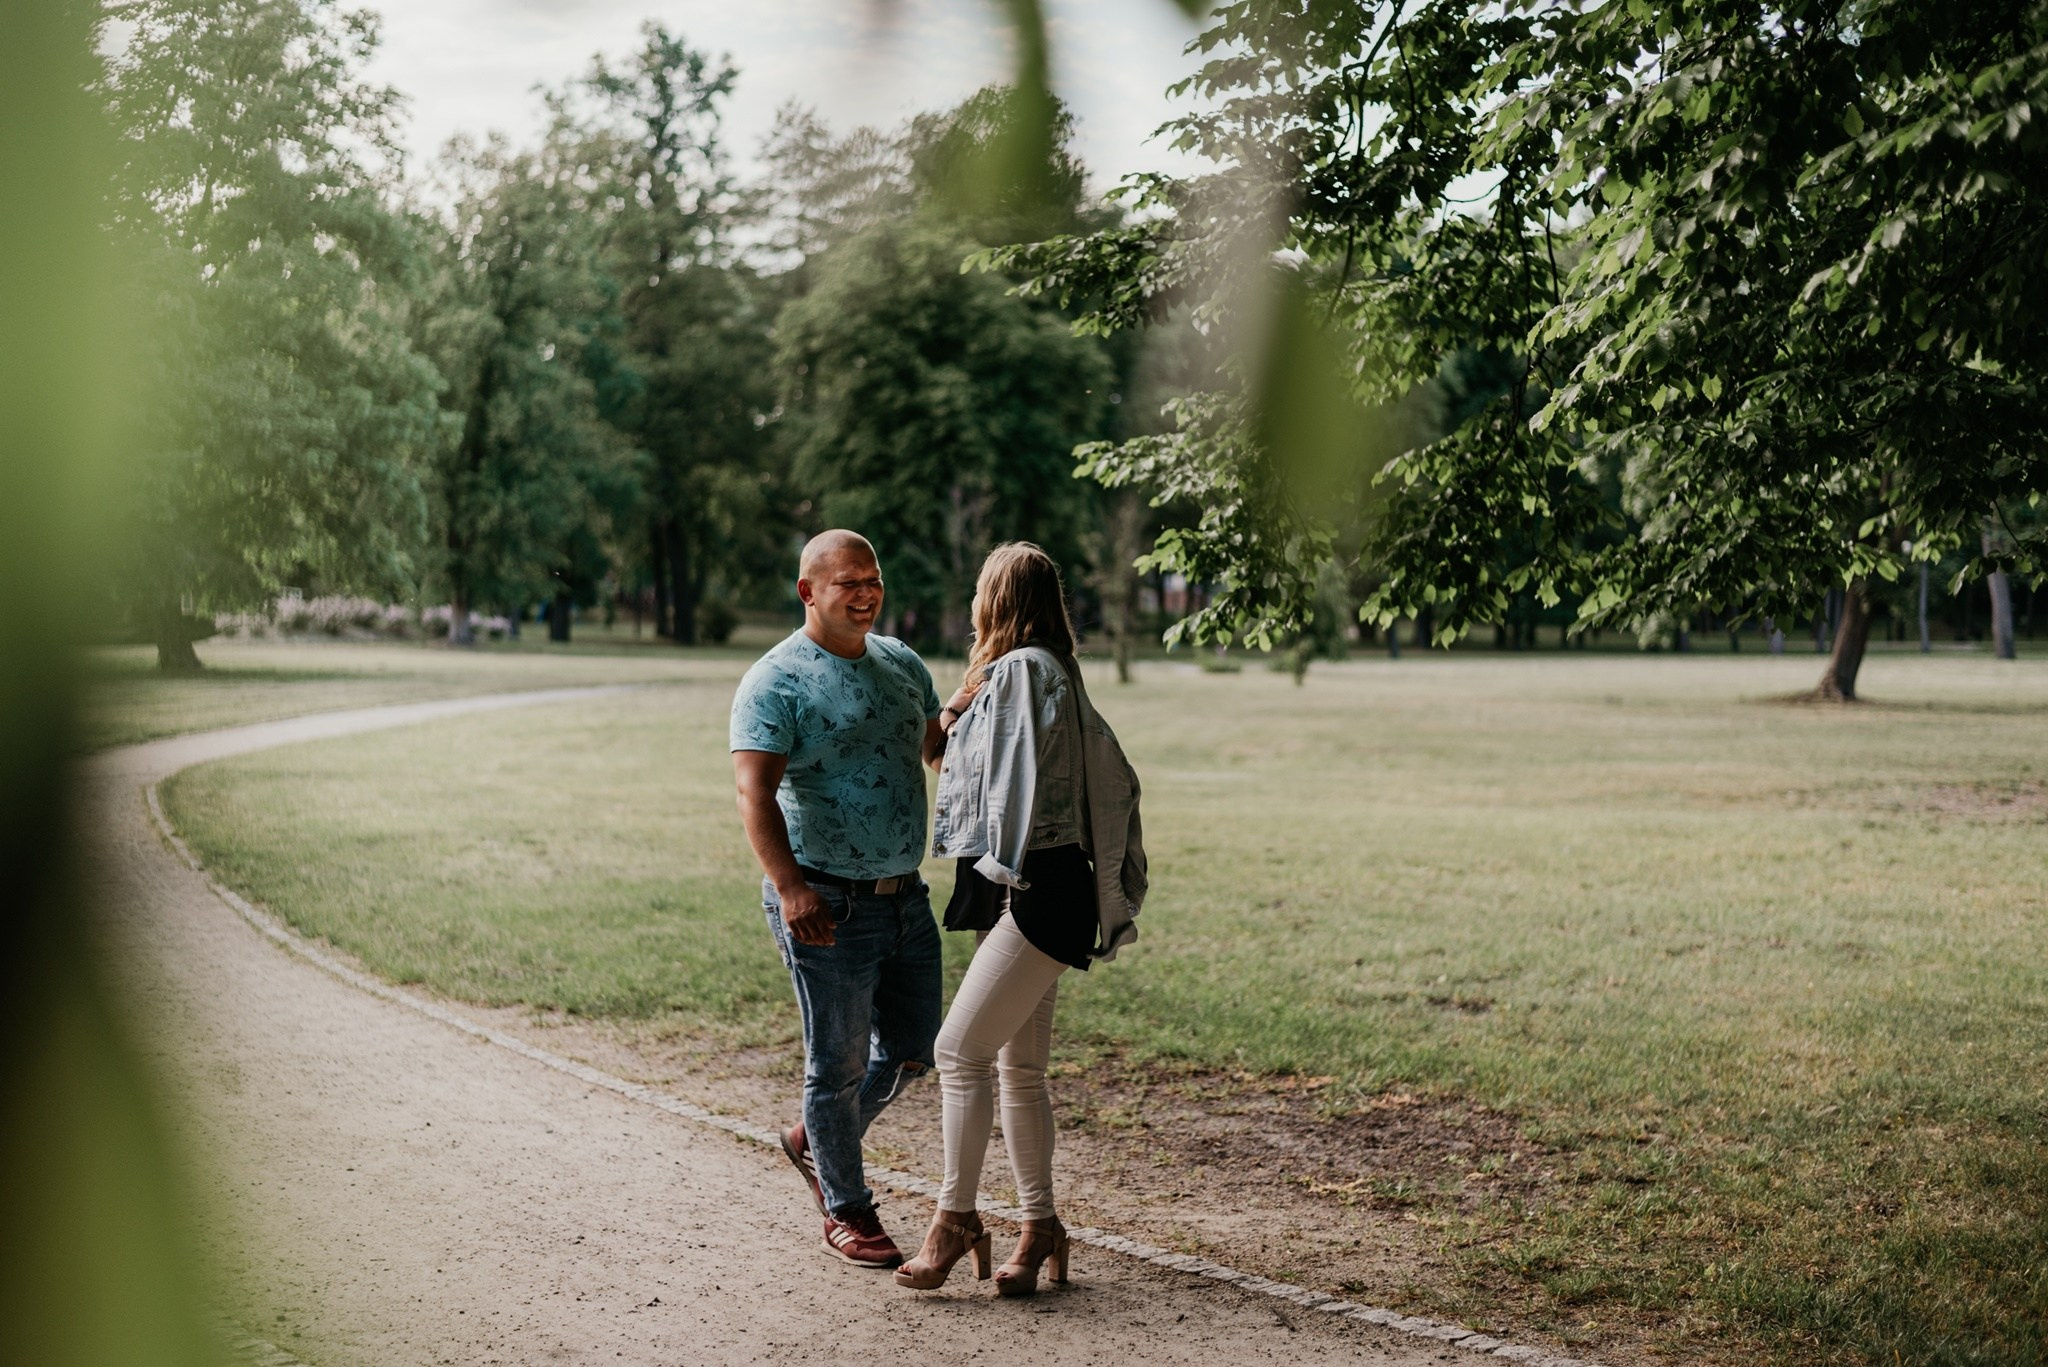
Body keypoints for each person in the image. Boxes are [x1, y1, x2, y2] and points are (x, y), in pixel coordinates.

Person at [894, 542, 1145, 1296]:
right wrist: (956, 704)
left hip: (1034, 885)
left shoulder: (1019, 674)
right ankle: (1041, 1227)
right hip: (1050, 882)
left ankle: (955, 1218)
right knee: (1018, 1068)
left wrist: (955, 710)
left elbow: (999, 784)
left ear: (994, 600)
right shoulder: (1051, 672)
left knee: (958, 1051)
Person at [730, 530, 949, 1269]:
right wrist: (791, 887)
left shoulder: (901, 663)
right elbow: (752, 792)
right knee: (838, 1063)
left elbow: (932, 746)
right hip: (824, 899)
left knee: (918, 1050)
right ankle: (847, 1207)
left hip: (905, 897)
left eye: (873, 579)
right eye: (847, 581)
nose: (864, 592)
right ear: (808, 591)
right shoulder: (776, 681)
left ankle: (813, 1137)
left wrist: (977, 704)